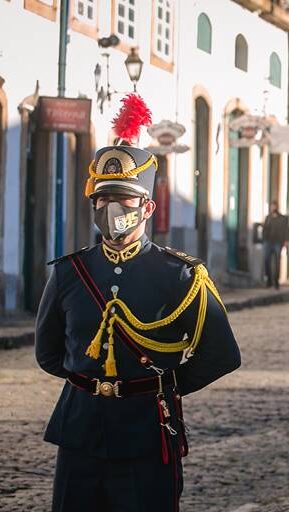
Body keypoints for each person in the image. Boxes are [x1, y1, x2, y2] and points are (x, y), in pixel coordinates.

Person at [34, 95, 241, 511]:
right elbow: (48, 353)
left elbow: (221, 354)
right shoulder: (69, 273)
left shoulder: (179, 275)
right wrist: (92, 383)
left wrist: (161, 387)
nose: (111, 209)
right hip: (80, 433)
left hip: (147, 431)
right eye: (102, 199)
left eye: (123, 200)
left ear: (146, 206)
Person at [263, 200, 289, 289]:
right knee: (267, 260)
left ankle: (276, 281)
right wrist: (264, 238)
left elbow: (287, 230)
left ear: (277, 207)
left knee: (277, 262)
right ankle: (269, 280)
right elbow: (264, 229)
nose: (273, 208)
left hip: (278, 242)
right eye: (272, 206)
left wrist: (286, 241)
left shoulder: (283, 218)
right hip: (268, 242)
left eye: (274, 206)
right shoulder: (268, 218)